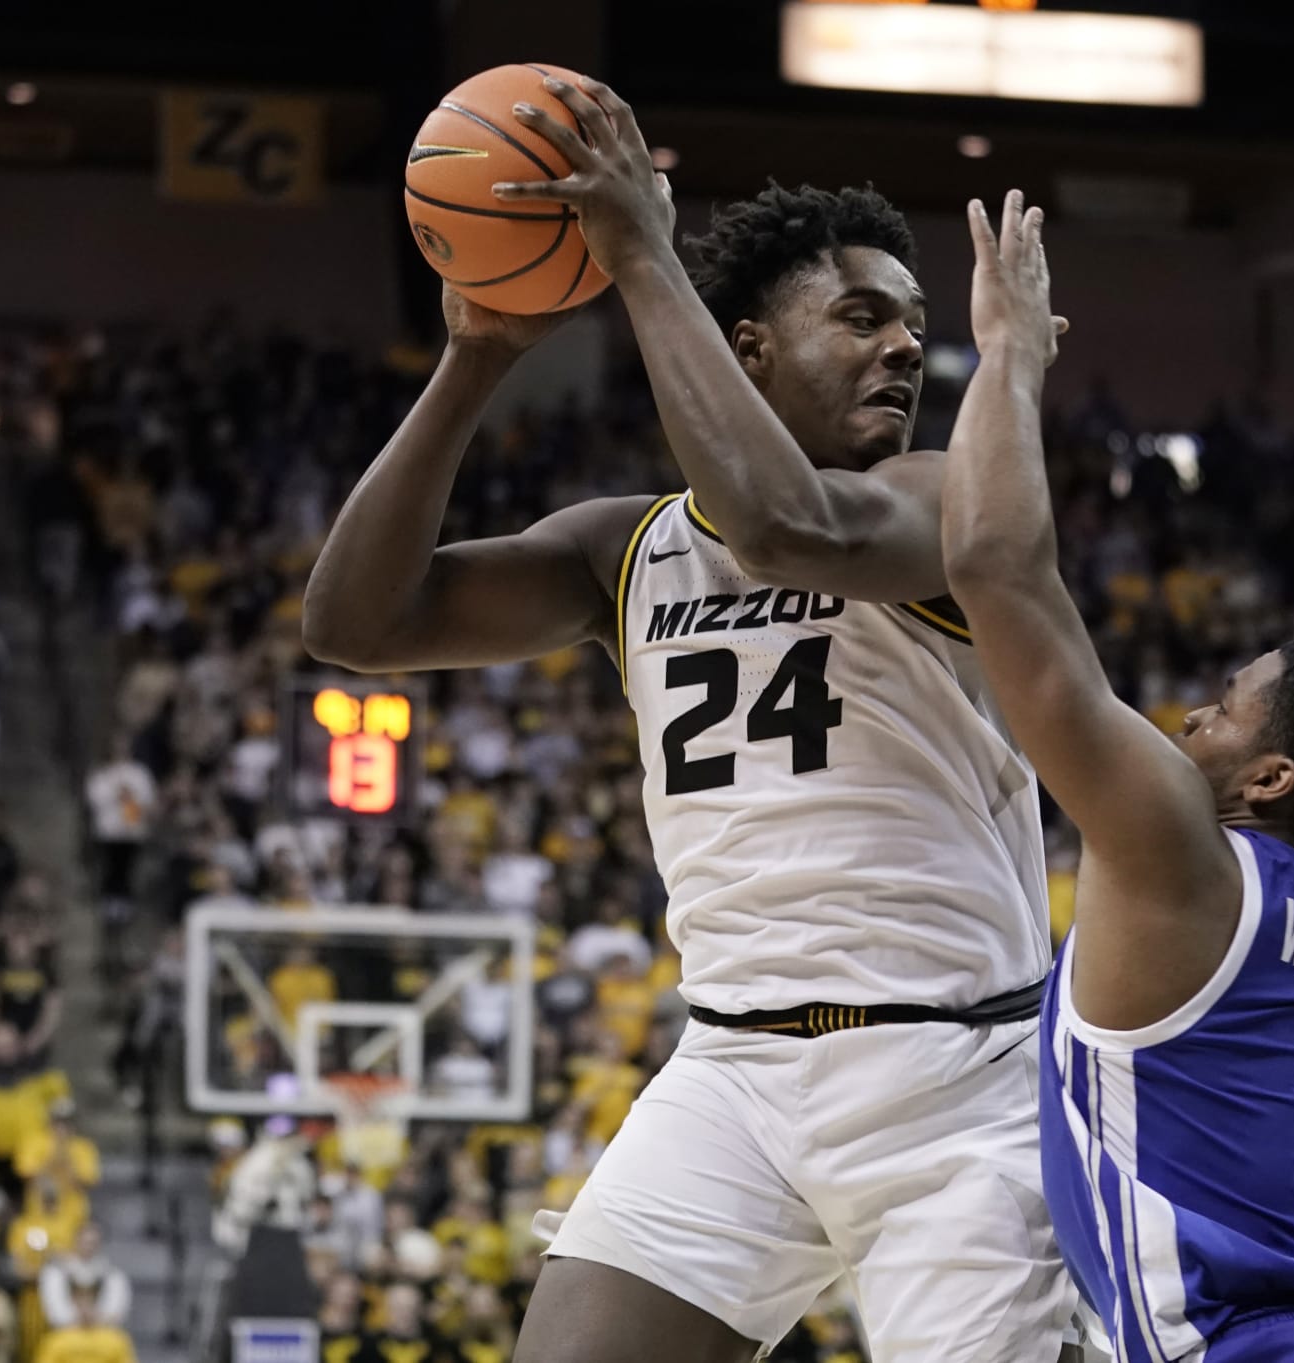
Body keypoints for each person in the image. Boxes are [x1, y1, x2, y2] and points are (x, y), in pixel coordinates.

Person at [305, 74, 1074, 1363]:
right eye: (863, 316)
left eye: (915, 324)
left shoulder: (941, 503)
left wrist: (641, 253)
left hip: (958, 1084)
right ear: (749, 346)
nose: (903, 347)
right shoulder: (626, 547)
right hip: (734, 1075)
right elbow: (357, 624)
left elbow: (789, 527)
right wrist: (473, 358)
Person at [937, 189, 1294, 1360]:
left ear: (1270, 777)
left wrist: (1011, 352)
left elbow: (991, 567)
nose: (1187, 716)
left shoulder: (1179, 840)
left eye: (1223, 707)